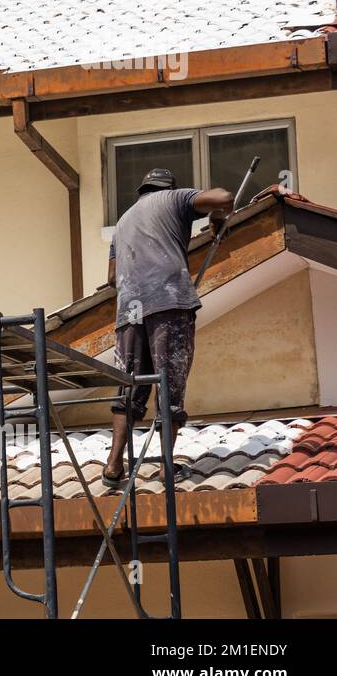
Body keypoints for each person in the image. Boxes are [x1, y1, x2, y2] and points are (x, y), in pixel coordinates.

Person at [103, 168, 233, 486]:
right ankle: (165, 466)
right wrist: (217, 222)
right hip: (169, 303)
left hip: (129, 314)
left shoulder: (122, 223)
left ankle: (114, 465)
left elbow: (111, 278)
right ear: (169, 186)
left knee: (128, 390)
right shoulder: (175, 198)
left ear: (142, 190)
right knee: (169, 388)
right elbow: (223, 198)